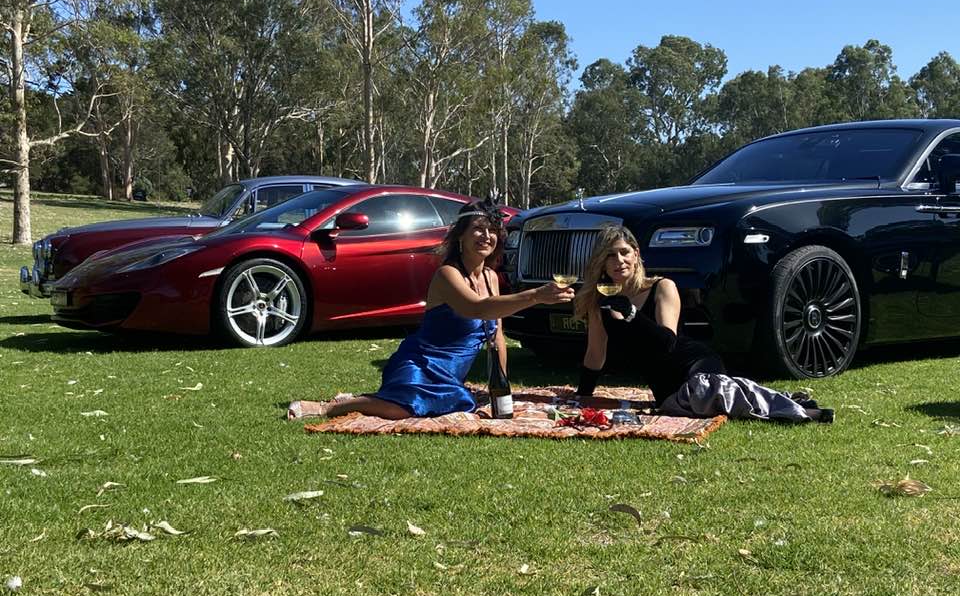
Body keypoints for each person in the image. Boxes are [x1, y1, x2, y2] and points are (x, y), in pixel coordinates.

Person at [288, 198, 574, 420]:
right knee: (406, 409)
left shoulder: (490, 278)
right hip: (421, 364)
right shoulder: (448, 274)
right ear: (460, 236)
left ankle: (372, 400)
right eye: (477, 229)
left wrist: (501, 384)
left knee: (453, 404)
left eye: (492, 230)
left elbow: (496, 335)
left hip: (450, 375)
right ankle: (333, 408)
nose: (486, 236)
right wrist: (536, 295)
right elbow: (477, 308)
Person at [574, 225, 833, 423]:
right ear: (603, 265)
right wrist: (580, 397)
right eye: (610, 256)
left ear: (636, 254)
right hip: (667, 390)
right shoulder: (603, 303)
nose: (618, 261)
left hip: (692, 364)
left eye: (624, 252)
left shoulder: (662, 287)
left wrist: (631, 313)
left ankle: (803, 412)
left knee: (709, 392)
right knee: (687, 403)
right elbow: (596, 353)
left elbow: (667, 343)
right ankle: (786, 401)